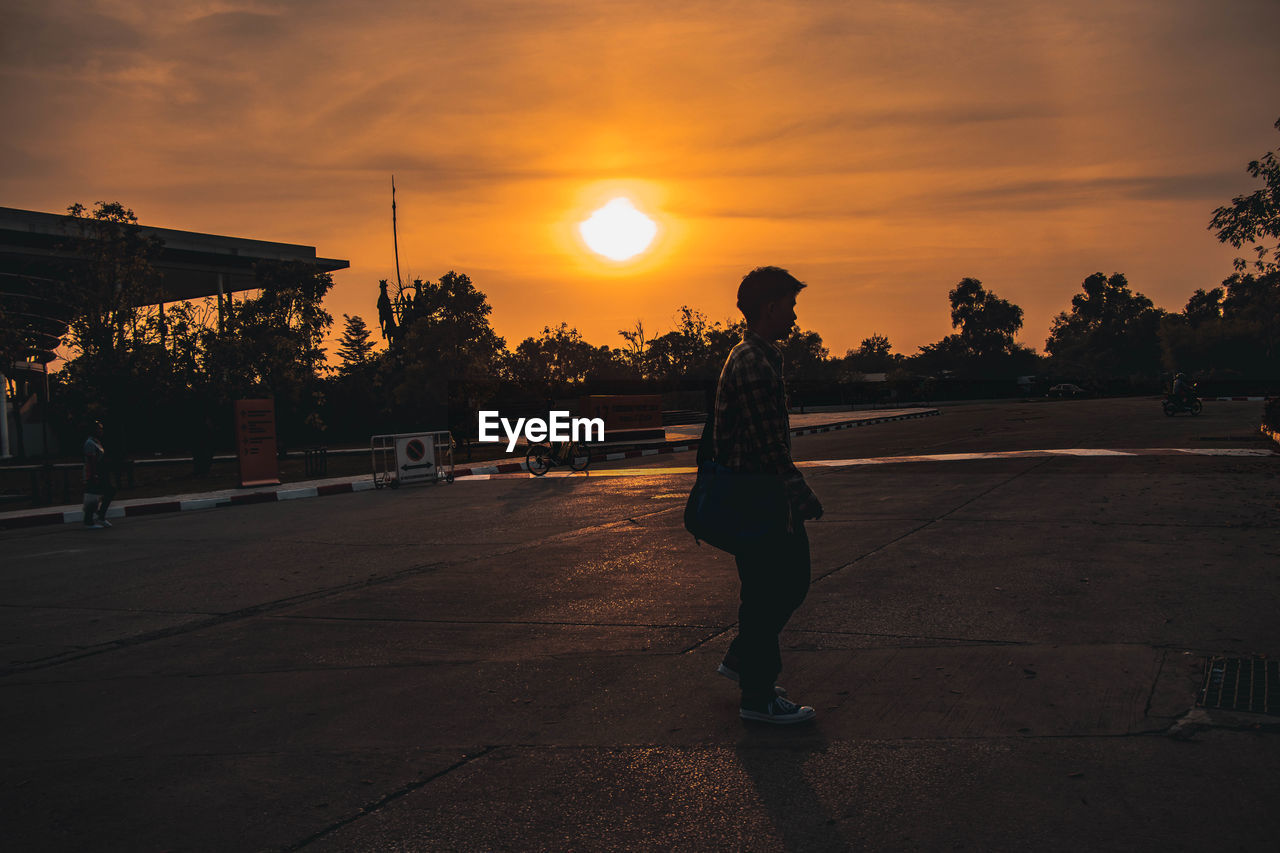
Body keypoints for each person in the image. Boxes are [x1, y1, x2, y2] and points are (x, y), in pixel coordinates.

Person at [713, 266, 823, 725]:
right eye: (791, 305)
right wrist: (801, 496)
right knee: (782, 583)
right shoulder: (754, 362)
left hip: (752, 493)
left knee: (766, 588)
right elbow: (768, 444)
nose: (795, 315)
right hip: (758, 494)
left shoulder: (754, 355)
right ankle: (758, 697)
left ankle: (747, 665)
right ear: (770, 307)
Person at [82, 419, 115, 529]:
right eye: (99, 429)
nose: (101, 430)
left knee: (108, 491)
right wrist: (93, 475)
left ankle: (100, 516)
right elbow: (91, 461)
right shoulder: (90, 443)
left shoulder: (96, 441)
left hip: (100, 472)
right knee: (92, 497)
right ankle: (89, 521)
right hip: (93, 473)